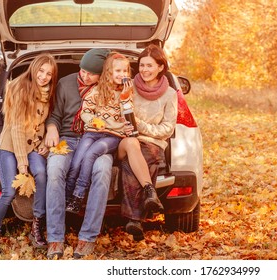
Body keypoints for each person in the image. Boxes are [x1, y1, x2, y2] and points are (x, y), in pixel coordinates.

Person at [0, 53, 58, 254]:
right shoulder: (17, 87)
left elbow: (46, 121)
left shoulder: (49, 93)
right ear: (33, 68)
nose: (43, 76)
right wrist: (22, 164)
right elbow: (16, 128)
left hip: (33, 147)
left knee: (42, 175)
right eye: (41, 70)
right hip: (10, 147)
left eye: (48, 74)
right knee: (8, 191)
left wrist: (45, 145)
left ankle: (37, 228)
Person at [44, 48, 112, 259]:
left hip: (97, 141)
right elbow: (53, 114)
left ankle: (87, 238)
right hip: (67, 139)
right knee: (54, 170)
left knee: (102, 170)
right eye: (83, 70)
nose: (84, 76)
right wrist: (51, 128)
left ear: (102, 75)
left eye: (91, 73)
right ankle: (55, 237)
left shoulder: (109, 89)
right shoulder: (65, 83)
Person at [118, 44, 177, 241]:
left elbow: (168, 128)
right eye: (142, 65)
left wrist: (142, 127)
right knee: (137, 153)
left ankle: (134, 220)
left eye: (150, 66)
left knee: (138, 160)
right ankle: (147, 199)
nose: (144, 70)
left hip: (154, 142)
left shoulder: (170, 94)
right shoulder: (129, 87)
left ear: (161, 67)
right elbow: (120, 113)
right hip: (128, 139)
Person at [65, 52, 133, 215]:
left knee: (91, 155)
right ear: (108, 72)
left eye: (125, 71)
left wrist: (124, 97)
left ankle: (78, 196)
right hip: (92, 133)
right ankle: (66, 197)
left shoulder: (127, 93)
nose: (122, 75)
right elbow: (85, 112)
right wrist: (93, 121)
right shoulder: (96, 91)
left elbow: (129, 115)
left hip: (113, 136)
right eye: (118, 71)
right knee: (76, 162)